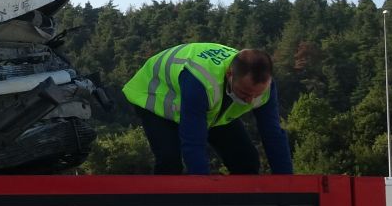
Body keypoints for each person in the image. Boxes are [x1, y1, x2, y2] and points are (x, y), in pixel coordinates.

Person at [122, 43, 293, 175]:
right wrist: (204, 197)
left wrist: (289, 190)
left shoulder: (266, 89)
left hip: (210, 109)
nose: (249, 100)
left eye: (256, 95)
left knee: (246, 160)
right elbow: (193, 143)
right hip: (156, 96)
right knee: (170, 160)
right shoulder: (200, 81)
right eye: (244, 93)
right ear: (229, 75)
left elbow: (273, 136)